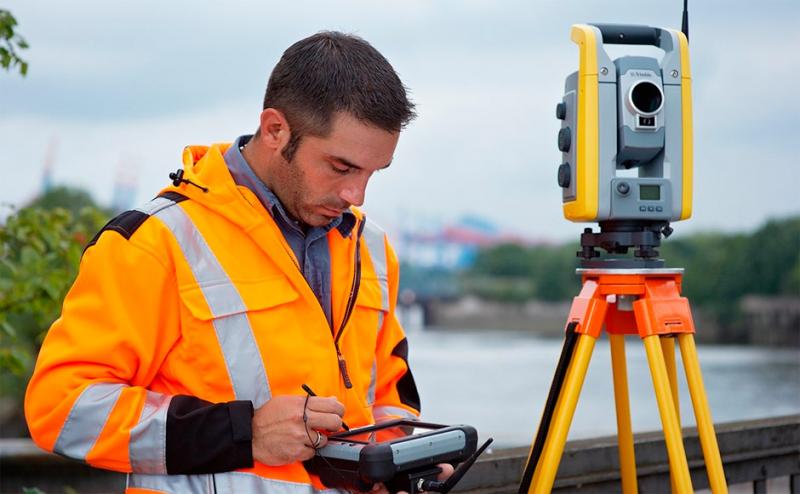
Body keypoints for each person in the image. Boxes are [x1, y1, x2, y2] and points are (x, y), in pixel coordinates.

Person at [25, 31, 452, 493]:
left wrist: (398, 464)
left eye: (373, 172)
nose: (357, 195)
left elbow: (390, 399)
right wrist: (244, 434)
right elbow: (61, 408)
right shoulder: (154, 242)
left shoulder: (371, 248)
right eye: (341, 166)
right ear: (275, 130)